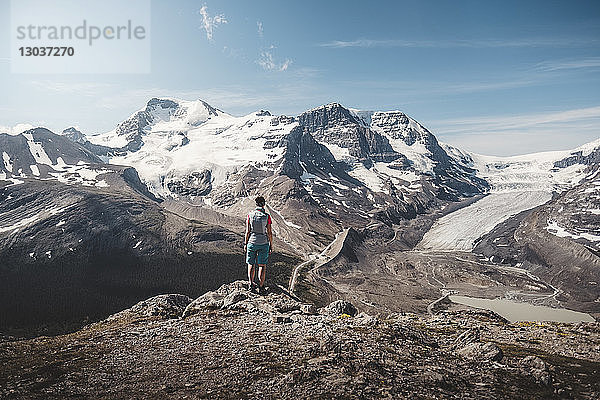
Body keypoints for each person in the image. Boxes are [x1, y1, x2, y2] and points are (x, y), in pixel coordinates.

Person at [244, 196, 273, 294]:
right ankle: (261, 287)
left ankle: (251, 284)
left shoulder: (250, 215)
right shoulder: (267, 216)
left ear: (256, 204)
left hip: (252, 242)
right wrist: (271, 244)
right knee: (262, 265)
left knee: (251, 264)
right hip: (263, 243)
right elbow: (269, 232)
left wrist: (245, 243)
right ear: (264, 204)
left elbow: (248, 231)